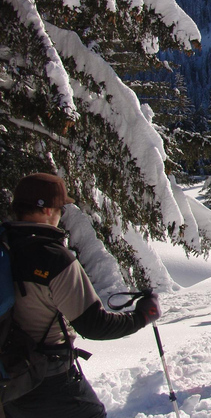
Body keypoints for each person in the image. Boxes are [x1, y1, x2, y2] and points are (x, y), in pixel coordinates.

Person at [1, 173, 161, 418]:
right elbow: (94, 325)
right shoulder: (54, 258)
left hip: (8, 381)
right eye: (60, 208)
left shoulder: (5, 246)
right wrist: (141, 316)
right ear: (47, 210)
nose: (61, 215)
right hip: (48, 379)